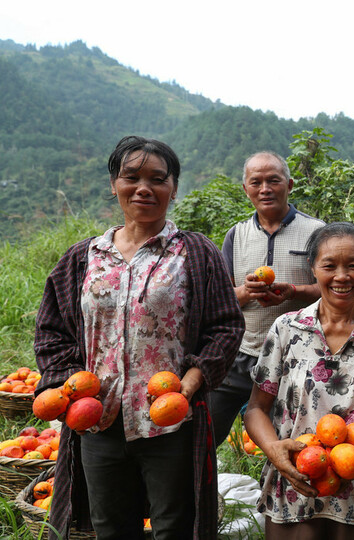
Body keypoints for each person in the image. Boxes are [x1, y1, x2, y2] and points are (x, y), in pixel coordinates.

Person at [34, 135, 245, 540]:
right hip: (98, 424)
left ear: (173, 188)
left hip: (169, 423)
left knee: (174, 528)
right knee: (110, 529)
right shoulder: (83, 258)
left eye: (157, 178)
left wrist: (192, 383)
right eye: (131, 176)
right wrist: (68, 386)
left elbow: (226, 326)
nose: (143, 187)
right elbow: (51, 330)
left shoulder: (195, 253)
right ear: (114, 184)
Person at [244, 222, 354, 539]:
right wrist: (274, 450)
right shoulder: (286, 329)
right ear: (313, 268)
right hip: (295, 485)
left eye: (353, 265)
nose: (341, 276)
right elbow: (256, 408)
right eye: (329, 265)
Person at [209, 151, 324, 447]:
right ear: (245, 189)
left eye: (273, 180)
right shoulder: (236, 235)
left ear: (290, 184)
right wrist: (246, 292)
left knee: (289, 443)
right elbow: (222, 300)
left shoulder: (317, 232)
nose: (265, 189)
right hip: (241, 354)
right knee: (205, 435)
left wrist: (295, 292)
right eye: (256, 182)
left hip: (297, 357)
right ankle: (200, 492)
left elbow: (331, 290)